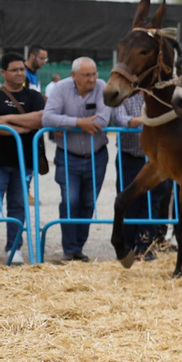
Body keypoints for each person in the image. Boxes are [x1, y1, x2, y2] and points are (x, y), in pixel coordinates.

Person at [41, 57, 111, 261]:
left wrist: (66, 124)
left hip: (97, 155)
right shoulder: (60, 88)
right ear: (74, 76)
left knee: (89, 202)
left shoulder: (101, 86)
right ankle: (69, 249)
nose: (92, 79)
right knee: (70, 201)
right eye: (87, 75)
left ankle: (78, 247)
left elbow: (104, 118)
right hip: (67, 156)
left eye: (94, 74)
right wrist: (79, 122)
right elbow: (48, 117)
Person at [108, 91, 172, 259]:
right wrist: (147, 120)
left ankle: (146, 246)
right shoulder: (125, 97)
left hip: (156, 160)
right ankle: (128, 247)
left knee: (152, 203)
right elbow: (121, 119)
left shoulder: (161, 97)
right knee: (129, 202)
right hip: (130, 157)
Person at [0, 52, 45, 261]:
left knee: (19, 204)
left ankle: (14, 247)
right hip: (1, 162)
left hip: (24, 162)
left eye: (22, 69)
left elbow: (39, 120)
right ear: (3, 73)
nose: (20, 73)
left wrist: (6, 120)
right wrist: (22, 125)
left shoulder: (34, 96)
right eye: (15, 70)